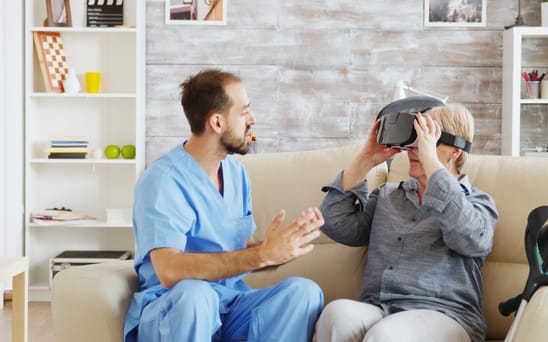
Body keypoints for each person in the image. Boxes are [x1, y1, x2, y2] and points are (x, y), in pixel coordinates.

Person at [123, 69, 325, 342]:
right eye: (244, 112)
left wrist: (281, 248)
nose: (252, 119)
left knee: (304, 293)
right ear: (217, 122)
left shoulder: (235, 172)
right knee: (196, 294)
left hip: (229, 304)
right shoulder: (162, 180)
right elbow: (169, 271)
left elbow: (243, 250)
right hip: (177, 308)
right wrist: (261, 255)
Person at [315, 103, 499, 342]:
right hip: (380, 308)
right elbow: (334, 224)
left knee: (386, 335)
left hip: (445, 315)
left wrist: (431, 162)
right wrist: (366, 159)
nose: (415, 150)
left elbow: (472, 239)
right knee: (336, 315)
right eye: (415, 141)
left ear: (455, 152)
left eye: (426, 141)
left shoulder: (476, 202)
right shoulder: (388, 196)